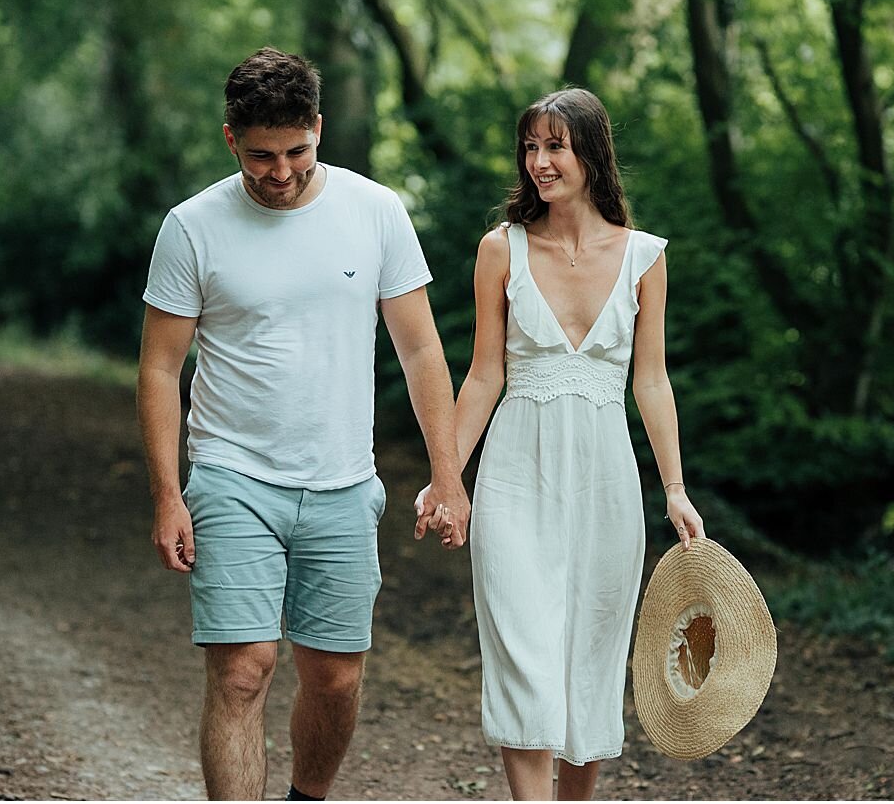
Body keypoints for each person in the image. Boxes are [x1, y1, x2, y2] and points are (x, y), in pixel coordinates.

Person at [137, 47, 469, 801]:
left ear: (319, 129)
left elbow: (420, 351)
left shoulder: (375, 212)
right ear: (230, 140)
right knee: (244, 669)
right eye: (261, 156)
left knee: (335, 678)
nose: (280, 171)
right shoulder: (193, 227)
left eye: (297, 151)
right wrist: (168, 493)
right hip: (231, 475)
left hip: (344, 485)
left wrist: (447, 476)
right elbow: (160, 368)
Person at [417, 88, 704, 800]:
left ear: (592, 154)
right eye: (530, 148)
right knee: (523, 655)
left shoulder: (643, 257)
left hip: (606, 484)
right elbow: (484, 374)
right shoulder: (500, 250)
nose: (539, 162)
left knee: (590, 659)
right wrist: (446, 476)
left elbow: (654, 383)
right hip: (515, 477)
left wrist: (674, 489)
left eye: (555, 146)